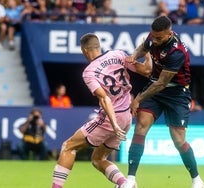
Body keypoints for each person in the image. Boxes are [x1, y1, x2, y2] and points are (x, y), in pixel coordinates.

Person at [51, 33, 151, 188]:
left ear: (84, 50)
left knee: (68, 146)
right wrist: (148, 52)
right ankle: (124, 184)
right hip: (126, 117)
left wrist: (113, 124)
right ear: (98, 46)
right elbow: (146, 71)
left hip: (112, 118)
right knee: (98, 159)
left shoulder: (89, 72)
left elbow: (105, 99)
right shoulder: (117, 54)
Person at [123, 16, 204, 188]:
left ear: (169, 34)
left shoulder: (177, 52)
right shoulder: (153, 37)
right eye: (153, 36)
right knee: (141, 126)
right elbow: (143, 47)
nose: (155, 40)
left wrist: (137, 98)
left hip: (176, 93)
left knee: (178, 140)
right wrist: (134, 56)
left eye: (159, 37)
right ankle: (130, 180)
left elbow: (162, 83)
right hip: (155, 88)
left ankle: (197, 180)